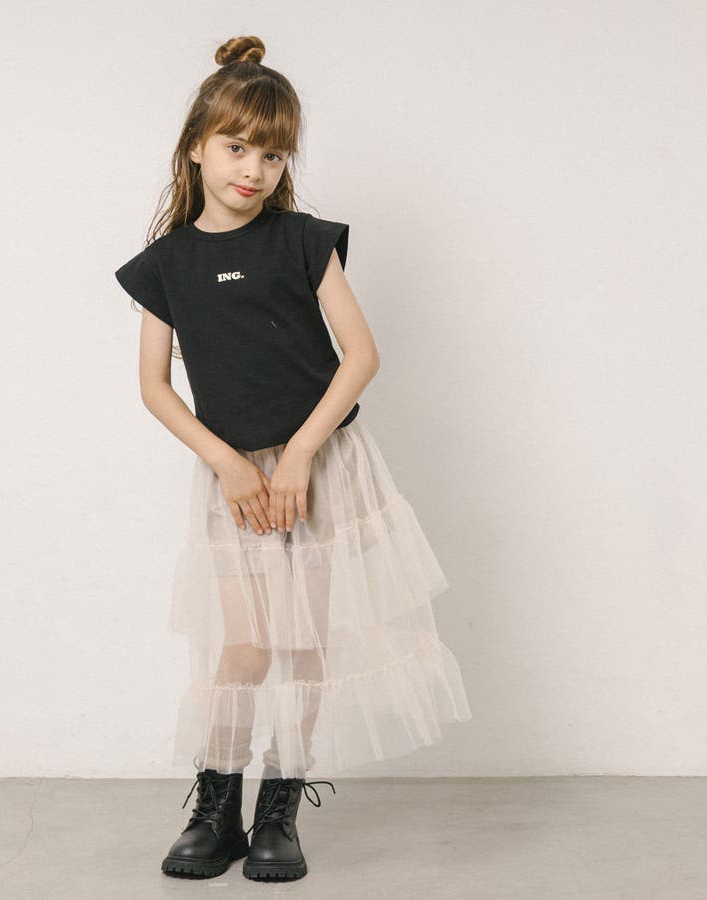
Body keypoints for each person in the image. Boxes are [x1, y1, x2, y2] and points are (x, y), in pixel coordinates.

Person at [114, 34, 472, 882]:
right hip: (234, 479)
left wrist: (303, 452)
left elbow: (360, 355)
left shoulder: (305, 242)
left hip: (319, 469)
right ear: (196, 146)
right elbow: (155, 388)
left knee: (303, 642)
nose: (254, 169)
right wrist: (230, 464)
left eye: (273, 155)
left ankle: (280, 808)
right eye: (237, 147)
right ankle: (217, 808)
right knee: (243, 646)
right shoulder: (166, 265)